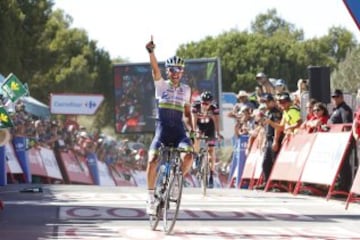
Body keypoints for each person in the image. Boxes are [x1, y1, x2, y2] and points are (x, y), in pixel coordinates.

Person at [144, 36, 194, 215]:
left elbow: (188, 114)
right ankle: (150, 199)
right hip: (162, 132)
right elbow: (155, 69)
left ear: (182, 72)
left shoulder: (186, 90)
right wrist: (151, 52)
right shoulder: (162, 85)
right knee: (152, 160)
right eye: (172, 69)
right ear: (168, 71)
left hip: (179, 132)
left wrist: (193, 132)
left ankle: (176, 179)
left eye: (179, 70)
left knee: (189, 156)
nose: (176, 72)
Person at [191, 91, 223, 188]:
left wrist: (218, 133)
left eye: (207, 103)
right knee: (196, 138)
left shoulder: (214, 108)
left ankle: (211, 176)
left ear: (211, 103)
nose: (205, 105)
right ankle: (196, 156)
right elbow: (194, 120)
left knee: (211, 150)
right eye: (203, 103)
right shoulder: (195, 106)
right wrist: (194, 131)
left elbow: (217, 121)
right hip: (200, 126)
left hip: (210, 127)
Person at [256, 93, 283, 188]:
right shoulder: (268, 112)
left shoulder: (276, 112)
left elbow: (277, 127)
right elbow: (265, 128)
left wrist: (275, 141)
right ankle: (266, 182)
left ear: (272, 102)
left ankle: (276, 185)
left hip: (274, 139)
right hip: (268, 139)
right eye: (264, 102)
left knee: (274, 161)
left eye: (267, 102)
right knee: (266, 163)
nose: (266, 104)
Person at [328, 89, 353, 192]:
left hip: (343, 141)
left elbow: (347, 125)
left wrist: (345, 140)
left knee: (344, 164)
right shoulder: (336, 109)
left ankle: (344, 187)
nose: (335, 99)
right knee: (339, 164)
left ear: (342, 97)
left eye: (337, 97)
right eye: (333, 97)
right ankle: (340, 184)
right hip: (336, 141)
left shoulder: (344, 109)